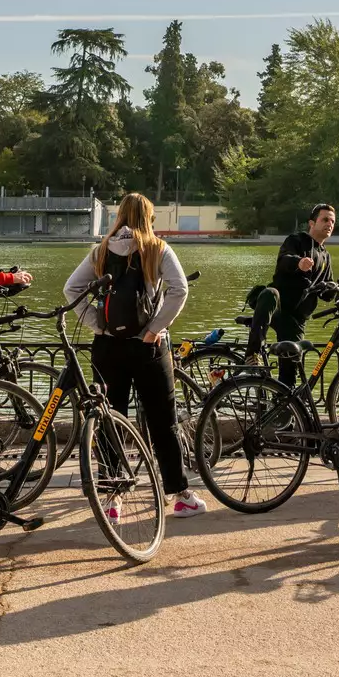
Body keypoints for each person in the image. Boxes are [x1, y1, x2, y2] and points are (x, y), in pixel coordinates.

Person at [62, 192, 206, 519]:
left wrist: (97, 324)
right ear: (148, 217)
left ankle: (112, 499)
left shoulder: (101, 249)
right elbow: (179, 289)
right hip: (149, 347)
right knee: (163, 421)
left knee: (110, 421)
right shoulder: (156, 248)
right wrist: (154, 329)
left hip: (108, 347)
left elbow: (72, 289)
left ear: (120, 216)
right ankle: (180, 495)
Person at [267, 203, 337, 384]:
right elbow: (284, 260)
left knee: (291, 366)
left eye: (332, 221)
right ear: (312, 223)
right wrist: (298, 263)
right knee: (290, 368)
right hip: (284, 310)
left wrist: (337, 290)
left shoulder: (325, 256)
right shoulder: (296, 240)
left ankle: (285, 405)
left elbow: (326, 292)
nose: (329, 224)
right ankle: (285, 410)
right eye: (325, 220)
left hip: (300, 318)